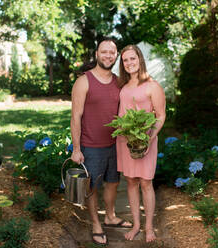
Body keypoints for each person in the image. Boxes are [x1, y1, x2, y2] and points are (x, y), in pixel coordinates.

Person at [70, 38, 132, 246]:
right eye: (104, 52)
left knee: (113, 182)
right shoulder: (83, 81)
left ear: (116, 56)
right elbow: (75, 116)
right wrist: (77, 148)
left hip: (115, 145)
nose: (108, 55)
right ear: (97, 54)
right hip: (91, 146)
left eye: (112, 52)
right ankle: (96, 223)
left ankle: (111, 216)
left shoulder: (119, 81)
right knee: (92, 187)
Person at [116, 45, 166, 242]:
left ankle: (149, 227)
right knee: (130, 181)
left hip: (146, 140)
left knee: (146, 182)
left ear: (140, 59)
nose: (129, 63)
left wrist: (150, 138)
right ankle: (136, 224)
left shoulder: (152, 86)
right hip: (125, 141)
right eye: (125, 60)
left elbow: (161, 116)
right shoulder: (123, 86)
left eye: (132, 59)